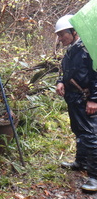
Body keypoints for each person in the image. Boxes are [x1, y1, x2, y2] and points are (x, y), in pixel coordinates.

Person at [55, 14, 97, 192]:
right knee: (79, 131)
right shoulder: (72, 50)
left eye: (62, 34)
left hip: (86, 99)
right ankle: (80, 162)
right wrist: (60, 81)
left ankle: (95, 177)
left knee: (90, 136)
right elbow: (64, 70)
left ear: (74, 32)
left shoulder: (89, 49)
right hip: (74, 99)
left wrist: (95, 99)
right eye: (59, 35)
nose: (60, 38)